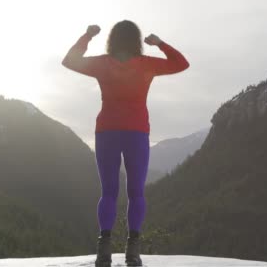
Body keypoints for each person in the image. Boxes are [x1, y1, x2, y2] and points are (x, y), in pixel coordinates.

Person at [61, 20, 190, 267]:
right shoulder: (147, 64)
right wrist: (160, 43)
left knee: (108, 192)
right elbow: (182, 64)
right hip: (137, 133)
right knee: (136, 192)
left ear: (112, 39)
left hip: (106, 131)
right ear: (136, 40)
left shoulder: (101, 64)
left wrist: (87, 36)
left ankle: (103, 251)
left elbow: (69, 60)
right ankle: (133, 251)